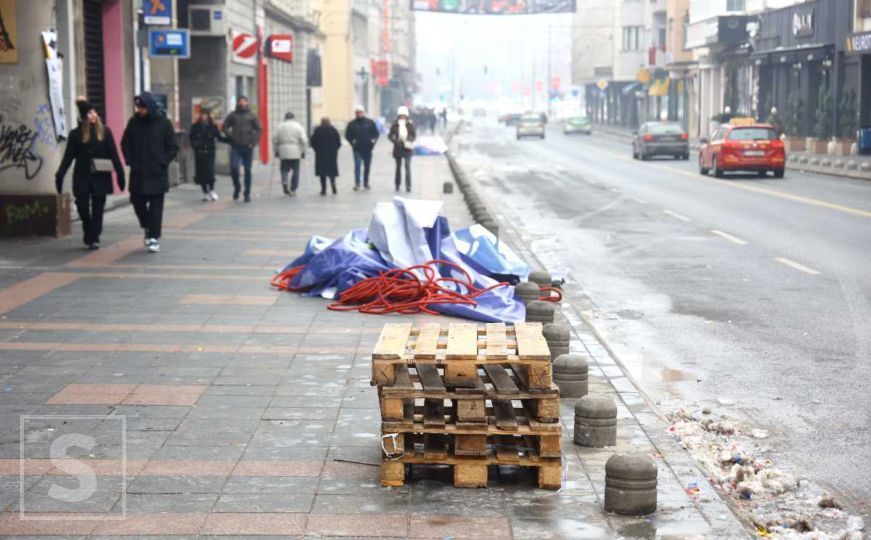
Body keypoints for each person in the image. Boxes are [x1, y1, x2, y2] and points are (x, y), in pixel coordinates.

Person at [54, 99, 125, 250]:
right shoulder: (75, 135)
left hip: (100, 177)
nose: (94, 115)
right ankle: (88, 228)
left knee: (98, 209)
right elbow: (68, 157)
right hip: (82, 176)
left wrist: (120, 174)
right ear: (84, 117)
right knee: (82, 206)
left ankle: (94, 237)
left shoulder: (105, 132)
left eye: (94, 112)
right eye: (90, 113)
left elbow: (114, 155)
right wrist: (60, 174)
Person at [121, 92, 179, 253]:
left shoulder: (164, 123)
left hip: (157, 171)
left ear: (150, 106)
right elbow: (125, 143)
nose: (140, 110)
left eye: (143, 107)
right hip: (138, 171)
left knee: (156, 207)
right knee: (136, 201)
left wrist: (163, 161)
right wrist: (129, 160)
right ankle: (147, 225)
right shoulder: (134, 122)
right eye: (138, 107)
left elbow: (173, 147)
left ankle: (154, 237)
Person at [222, 96, 262, 202]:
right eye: (241, 102)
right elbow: (225, 126)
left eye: (244, 101)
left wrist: (253, 143)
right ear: (238, 103)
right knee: (234, 168)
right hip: (236, 146)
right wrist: (230, 136)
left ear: (247, 103)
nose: (242, 103)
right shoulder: (233, 115)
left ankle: (247, 193)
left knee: (247, 170)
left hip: (248, 147)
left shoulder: (252, 115)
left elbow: (258, 129)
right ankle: (237, 187)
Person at [189, 108, 227, 202]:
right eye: (202, 115)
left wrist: (230, 140)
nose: (204, 116)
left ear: (208, 116)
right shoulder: (195, 126)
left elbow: (219, 137)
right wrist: (196, 145)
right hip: (200, 153)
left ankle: (212, 190)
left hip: (210, 152)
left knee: (210, 173)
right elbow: (191, 138)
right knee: (201, 174)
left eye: (205, 115)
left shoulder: (212, 126)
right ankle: (205, 192)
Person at [344, 105, 380, 191]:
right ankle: (357, 183)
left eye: (360, 112)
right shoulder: (352, 124)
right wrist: (352, 141)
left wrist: (373, 142)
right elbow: (347, 135)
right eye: (357, 112)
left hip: (368, 148)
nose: (359, 114)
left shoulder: (370, 122)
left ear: (363, 113)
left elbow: (376, 133)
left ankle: (366, 182)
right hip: (357, 149)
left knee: (367, 166)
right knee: (357, 166)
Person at [272, 111, 307, 196]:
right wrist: (303, 151)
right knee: (296, 171)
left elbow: (274, 139)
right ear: (293, 118)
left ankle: (285, 184)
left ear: (285, 117)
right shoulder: (298, 126)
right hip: (295, 151)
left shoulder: (280, 126)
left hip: (283, 151)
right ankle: (293, 188)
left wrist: (276, 150)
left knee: (284, 169)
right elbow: (304, 140)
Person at [309, 117, 342, 196]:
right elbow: (339, 143)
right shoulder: (333, 131)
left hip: (321, 155)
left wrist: (317, 150)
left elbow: (313, 142)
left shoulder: (317, 131)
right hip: (332, 155)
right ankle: (333, 186)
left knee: (322, 173)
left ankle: (323, 189)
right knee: (332, 172)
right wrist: (335, 150)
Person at [388, 106, 416, 192]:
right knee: (398, 167)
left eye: (404, 115)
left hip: (407, 148)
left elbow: (413, 135)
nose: (402, 117)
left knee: (407, 166)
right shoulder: (394, 124)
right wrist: (395, 140)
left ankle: (408, 185)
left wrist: (409, 140)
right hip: (398, 148)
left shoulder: (410, 124)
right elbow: (390, 135)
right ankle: (397, 184)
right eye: (401, 115)